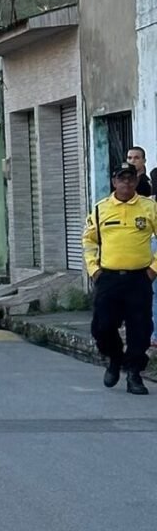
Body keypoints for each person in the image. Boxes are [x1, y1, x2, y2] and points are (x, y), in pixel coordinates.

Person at [83, 162, 157, 395]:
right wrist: (94, 270)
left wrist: (153, 269)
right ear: (114, 182)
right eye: (121, 178)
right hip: (108, 279)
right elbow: (89, 242)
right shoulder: (100, 209)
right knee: (102, 327)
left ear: (136, 181)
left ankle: (134, 374)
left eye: (130, 178)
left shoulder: (149, 207)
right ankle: (115, 359)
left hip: (139, 279)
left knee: (140, 328)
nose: (126, 182)